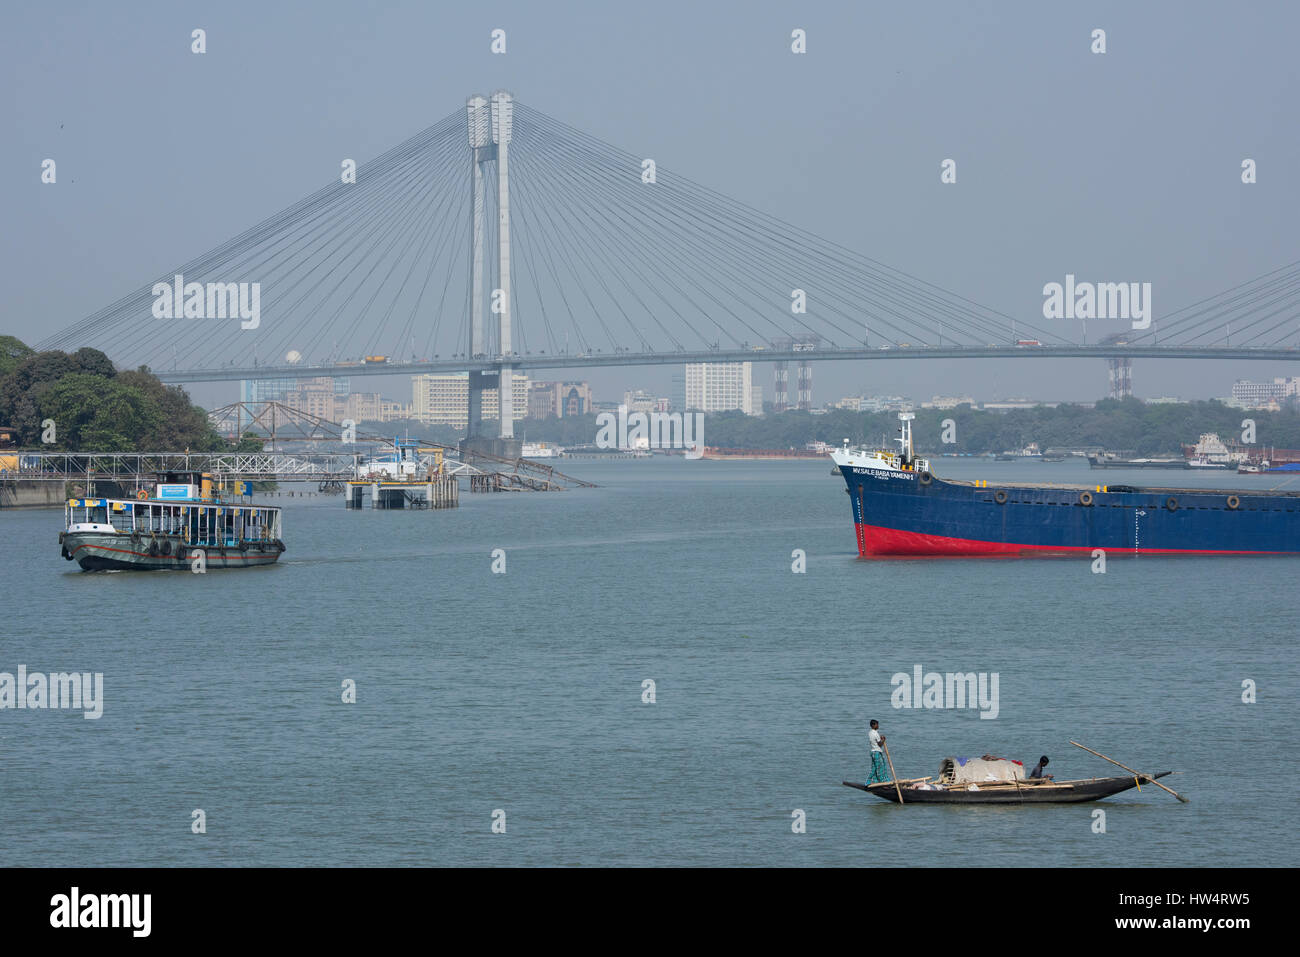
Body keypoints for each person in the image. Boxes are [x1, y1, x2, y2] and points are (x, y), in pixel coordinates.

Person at [867, 720, 891, 784]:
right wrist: (883, 740)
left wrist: (880, 739)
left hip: (873, 752)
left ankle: (871, 781)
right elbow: (880, 744)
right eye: (877, 725)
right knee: (880, 767)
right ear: (873, 725)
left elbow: (875, 740)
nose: (878, 726)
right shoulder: (875, 733)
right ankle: (883, 781)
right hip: (877, 752)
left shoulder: (870, 732)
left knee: (874, 768)